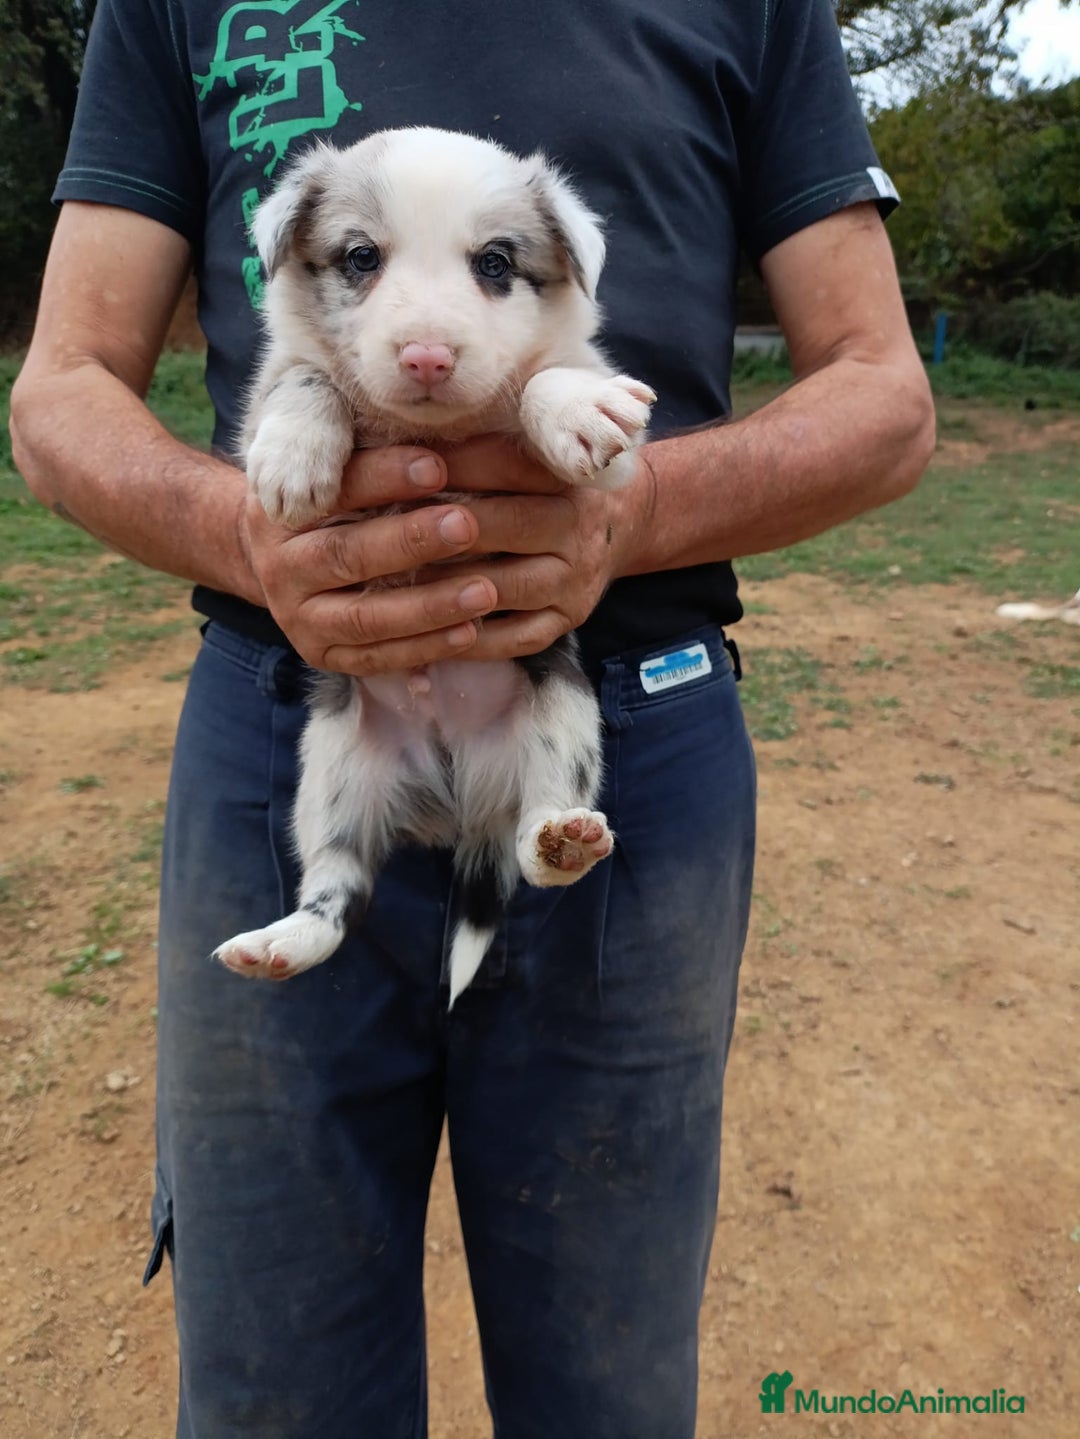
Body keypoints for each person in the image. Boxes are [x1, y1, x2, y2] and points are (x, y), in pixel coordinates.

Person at [10, 0, 935, 1434]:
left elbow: (888, 398)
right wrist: (251, 533)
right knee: (276, 1383)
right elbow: (60, 388)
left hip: (622, 729)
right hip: (296, 714)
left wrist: (634, 516)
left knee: (606, 1375)